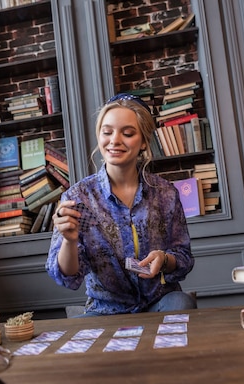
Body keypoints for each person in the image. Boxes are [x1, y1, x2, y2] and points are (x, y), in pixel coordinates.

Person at [46, 93, 196, 317]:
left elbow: (183, 257)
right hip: (105, 310)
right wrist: (69, 240)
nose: (115, 140)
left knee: (182, 302)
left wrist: (165, 260)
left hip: (160, 303)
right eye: (107, 132)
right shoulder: (79, 196)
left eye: (127, 133)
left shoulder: (165, 194)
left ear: (144, 141)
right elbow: (66, 275)